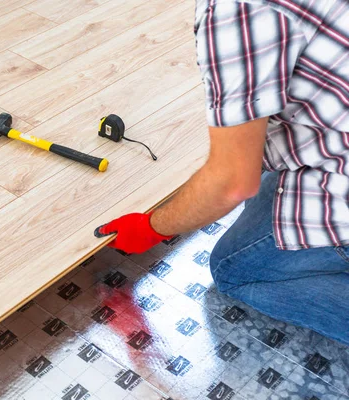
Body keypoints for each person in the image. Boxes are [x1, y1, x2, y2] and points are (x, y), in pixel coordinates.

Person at [96, 0, 349, 346]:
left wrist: (150, 227)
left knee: (234, 269)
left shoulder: (237, 10)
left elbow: (232, 183)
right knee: (267, 182)